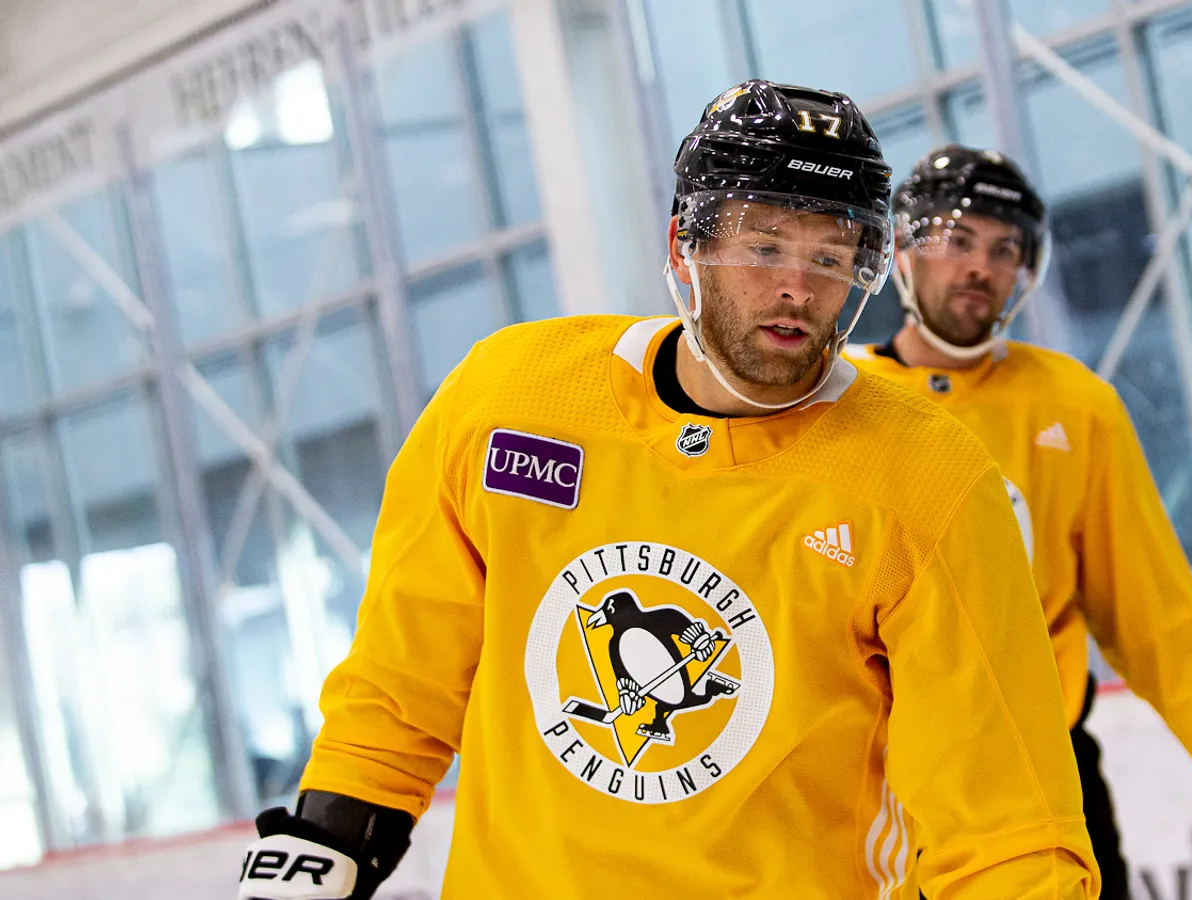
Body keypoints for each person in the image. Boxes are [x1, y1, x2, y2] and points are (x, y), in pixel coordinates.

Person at [236, 86, 1099, 899]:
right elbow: (404, 676)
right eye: (762, 247)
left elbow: (1007, 821)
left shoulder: (929, 480)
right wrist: (332, 837)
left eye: (829, 257)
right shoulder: (512, 398)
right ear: (686, 245)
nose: (796, 287)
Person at [847, 145, 1192, 900]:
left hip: (1043, 772)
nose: (979, 268)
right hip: (875, 781)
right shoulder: (844, 404)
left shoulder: (1074, 405)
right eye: (957, 241)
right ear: (902, 254)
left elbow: (1153, 608)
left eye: (1005, 250)